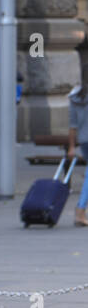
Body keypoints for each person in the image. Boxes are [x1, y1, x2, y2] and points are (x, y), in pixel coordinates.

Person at [65, 84, 88, 225]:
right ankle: (80, 210)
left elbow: (73, 125)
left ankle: (80, 210)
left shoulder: (75, 97)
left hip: (84, 141)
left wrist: (72, 147)